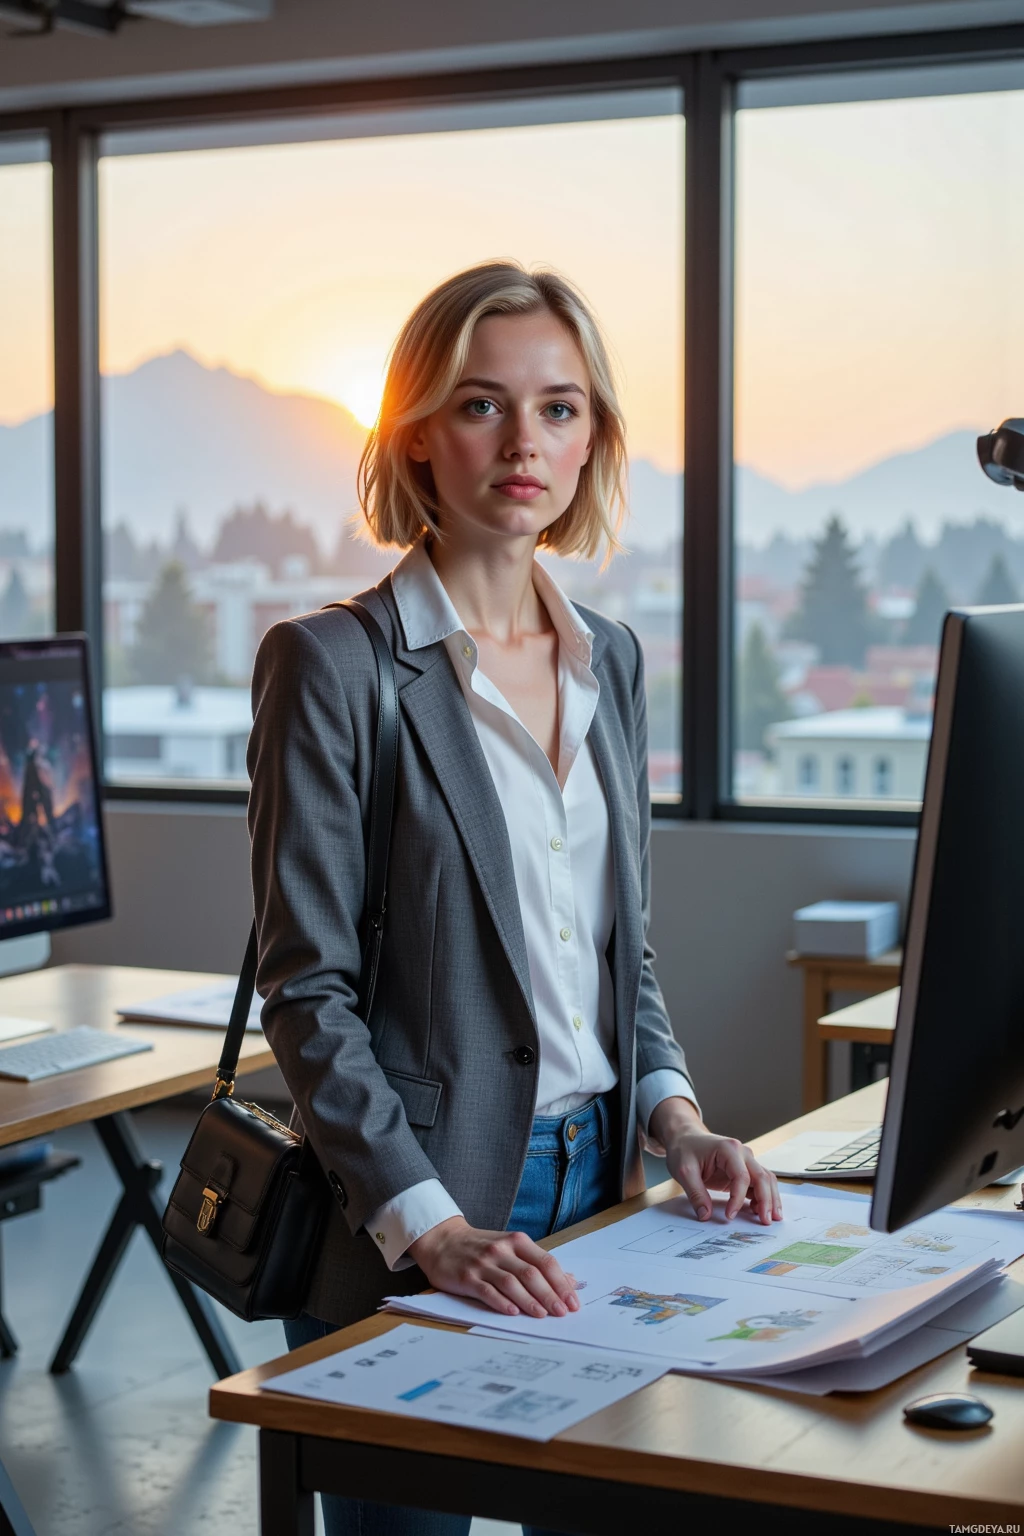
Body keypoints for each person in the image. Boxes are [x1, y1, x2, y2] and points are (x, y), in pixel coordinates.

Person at [247, 260, 782, 1536]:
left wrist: (679, 1119)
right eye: (481, 405)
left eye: (559, 407)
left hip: (601, 1195)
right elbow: (305, 989)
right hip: (412, 1210)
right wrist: (431, 1230)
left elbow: (613, 949)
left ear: (593, 434)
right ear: (417, 431)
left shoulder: (612, 659)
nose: (522, 442)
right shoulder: (330, 665)